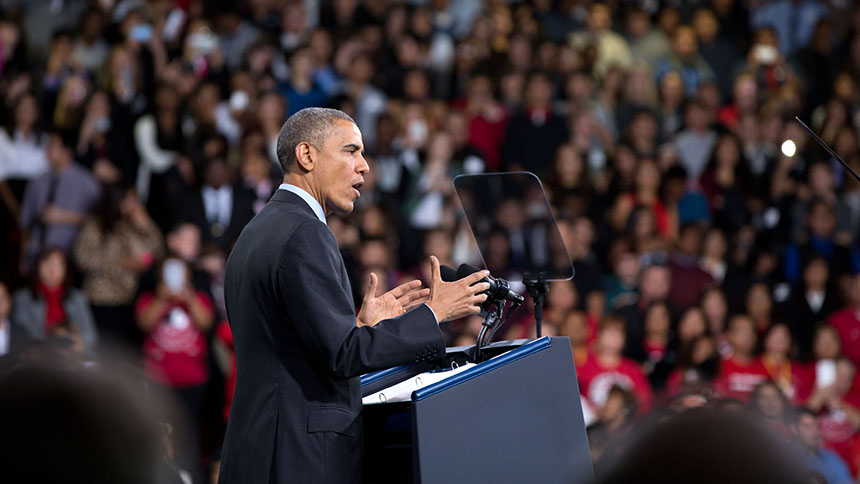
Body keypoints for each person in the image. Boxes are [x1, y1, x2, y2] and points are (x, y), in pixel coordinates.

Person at [218, 107, 490, 484]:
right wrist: (434, 313)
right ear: (307, 155)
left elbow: (296, 344)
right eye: (350, 151)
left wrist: (359, 325)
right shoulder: (306, 233)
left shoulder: (256, 232)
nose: (364, 166)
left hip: (257, 451)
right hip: (298, 459)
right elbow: (344, 355)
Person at [11, 248, 98, 353]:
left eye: (58, 265)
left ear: (66, 269)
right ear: (37, 267)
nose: (52, 269)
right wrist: (51, 346)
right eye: (47, 263)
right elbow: (21, 333)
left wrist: (76, 343)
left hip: (72, 354)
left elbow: (90, 333)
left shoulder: (77, 297)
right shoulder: (22, 297)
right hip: (37, 355)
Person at [794, 407, 854, 484]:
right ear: (794, 429)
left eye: (817, 426)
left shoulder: (831, 458)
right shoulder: (786, 459)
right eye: (807, 426)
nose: (815, 431)